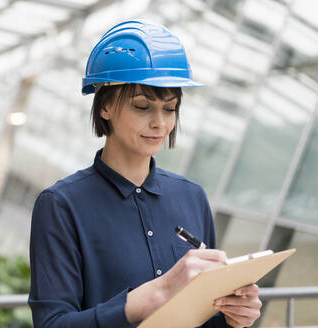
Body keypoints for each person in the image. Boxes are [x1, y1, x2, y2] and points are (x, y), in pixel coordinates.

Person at [28, 20, 261, 328]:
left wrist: (234, 317)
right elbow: (52, 324)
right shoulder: (61, 205)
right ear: (105, 107)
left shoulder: (192, 197)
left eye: (170, 108)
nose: (160, 124)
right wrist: (147, 298)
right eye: (142, 106)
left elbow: (203, 318)